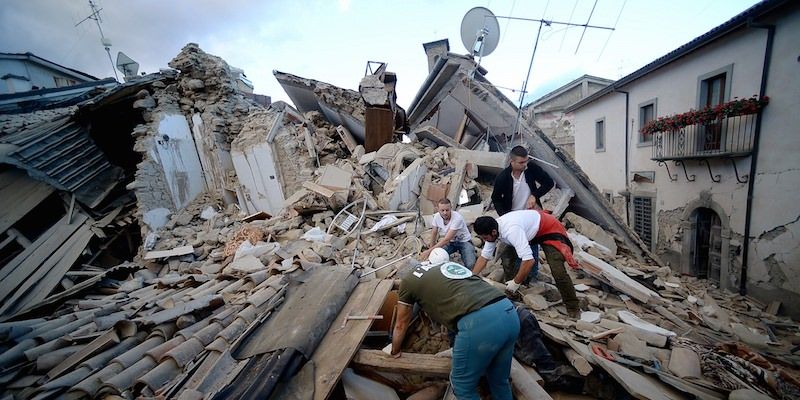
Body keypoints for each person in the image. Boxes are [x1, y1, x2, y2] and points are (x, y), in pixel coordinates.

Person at [391, 258, 519, 400]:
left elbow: (401, 324)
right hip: (508, 312)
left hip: (479, 324)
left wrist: (395, 350)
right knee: (499, 380)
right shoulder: (443, 266)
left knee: (462, 385)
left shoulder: (408, 281)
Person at [472, 210, 581, 318]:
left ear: (494, 232)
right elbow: (484, 256)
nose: (485, 240)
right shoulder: (493, 230)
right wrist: (471, 277)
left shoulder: (512, 231)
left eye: (485, 238)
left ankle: (573, 307)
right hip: (530, 230)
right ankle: (512, 294)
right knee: (508, 260)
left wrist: (516, 282)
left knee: (558, 271)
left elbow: (529, 260)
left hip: (549, 228)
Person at [491, 145, 555, 283]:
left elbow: (549, 182)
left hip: (530, 216)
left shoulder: (531, 169)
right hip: (512, 216)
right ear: (511, 161)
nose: (525, 165)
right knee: (511, 249)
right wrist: (504, 216)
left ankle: (531, 277)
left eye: (526, 161)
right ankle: (512, 276)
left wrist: (534, 195)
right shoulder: (503, 177)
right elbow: (495, 198)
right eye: (521, 162)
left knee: (531, 244)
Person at [419, 198, 476, 269]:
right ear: (438, 209)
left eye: (447, 210)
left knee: (470, 264)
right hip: (451, 243)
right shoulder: (436, 217)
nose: (445, 213)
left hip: (464, 241)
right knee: (436, 259)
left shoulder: (457, 218)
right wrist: (431, 251)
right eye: (442, 210)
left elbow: (447, 239)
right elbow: (434, 233)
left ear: (451, 208)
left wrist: (428, 251)